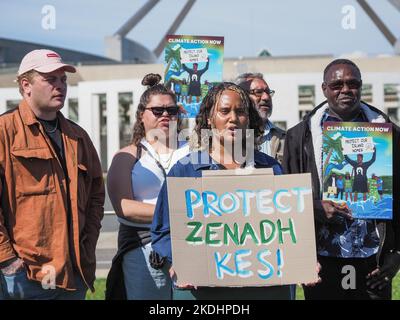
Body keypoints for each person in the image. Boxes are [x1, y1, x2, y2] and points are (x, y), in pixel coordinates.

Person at [151, 82, 293, 300]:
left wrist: (301, 258)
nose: (233, 118)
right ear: (209, 118)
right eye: (224, 111)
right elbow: (162, 231)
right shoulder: (185, 169)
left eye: (241, 111)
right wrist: (178, 258)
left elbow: (289, 227)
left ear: (249, 118)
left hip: (263, 287)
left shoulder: (270, 167)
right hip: (203, 289)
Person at [283, 59, 400, 300]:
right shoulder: (299, 136)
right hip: (323, 260)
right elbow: (286, 198)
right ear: (324, 88)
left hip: (374, 260)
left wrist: (396, 253)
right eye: (337, 85)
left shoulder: (388, 134)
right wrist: (314, 207)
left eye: (352, 83)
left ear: (361, 86)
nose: (345, 89)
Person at [0, 49, 105, 300]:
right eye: (50, 79)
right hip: (25, 276)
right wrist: (7, 260)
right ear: (26, 85)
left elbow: (96, 196)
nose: (60, 86)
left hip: (73, 275)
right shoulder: (5, 132)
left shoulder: (77, 136)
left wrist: (86, 249)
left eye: (63, 80)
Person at [105, 74, 189, 300]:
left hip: (192, 243)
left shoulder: (196, 151)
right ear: (142, 115)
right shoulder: (127, 155)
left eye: (171, 111)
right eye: (157, 110)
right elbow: (125, 207)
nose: (165, 115)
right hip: (144, 248)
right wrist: (182, 212)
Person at [236, 72, 286, 164]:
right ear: (241, 97)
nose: (266, 97)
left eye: (268, 92)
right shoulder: (228, 137)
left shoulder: (284, 139)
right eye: (258, 92)